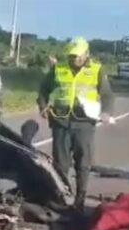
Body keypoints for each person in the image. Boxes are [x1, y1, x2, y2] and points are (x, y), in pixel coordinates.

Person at [37, 36, 115, 214]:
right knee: (60, 164)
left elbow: (108, 95)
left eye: (78, 55)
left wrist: (106, 112)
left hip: (84, 123)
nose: (74, 59)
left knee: (83, 163)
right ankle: (62, 198)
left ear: (87, 53)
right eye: (71, 56)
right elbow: (43, 90)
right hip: (61, 122)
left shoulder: (97, 70)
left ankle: (80, 200)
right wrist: (43, 107)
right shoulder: (59, 68)